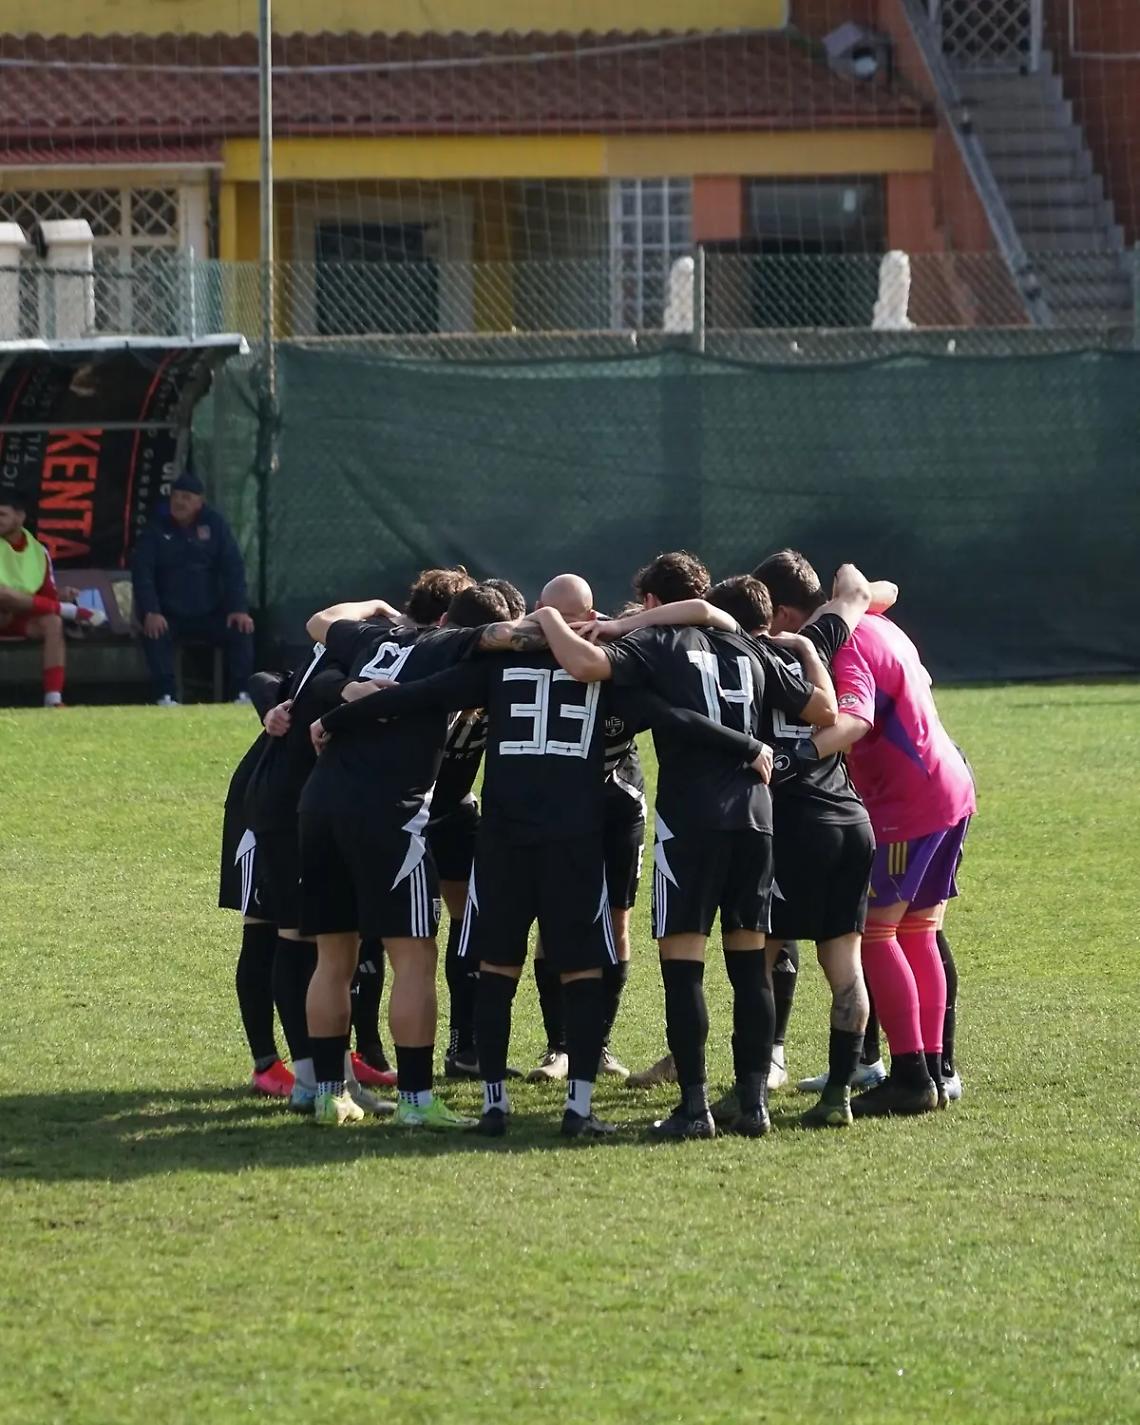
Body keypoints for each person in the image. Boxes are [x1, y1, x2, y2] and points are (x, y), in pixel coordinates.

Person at [336, 572, 775, 1141]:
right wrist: (746, 745)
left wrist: (332, 717)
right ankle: (579, 1109)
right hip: (574, 837)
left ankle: (494, 1107)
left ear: (539, 610)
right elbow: (673, 716)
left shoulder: (495, 666)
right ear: (589, 615)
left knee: (497, 968)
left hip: (502, 838)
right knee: (583, 970)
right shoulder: (604, 667)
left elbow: (421, 694)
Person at [534, 552, 837, 1140]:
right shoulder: (750, 649)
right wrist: (802, 651)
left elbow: (588, 665)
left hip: (691, 820)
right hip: (757, 816)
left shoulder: (658, 644)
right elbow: (823, 710)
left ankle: (694, 1107)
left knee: (684, 970)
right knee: (751, 966)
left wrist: (552, 620)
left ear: (650, 605)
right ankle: (753, 1105)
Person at [299, 581, 519, 1129]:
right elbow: (508, 634)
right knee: (415, 960)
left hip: (320, 806)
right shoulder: (454, 647)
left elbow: (320, 620)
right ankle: (418, 1102)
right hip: (389, 815)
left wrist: (373, 606)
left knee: (333, 958)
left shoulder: (376, 638)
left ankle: (328, 1095)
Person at [705, 567, 880, 1129]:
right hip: (851, 821)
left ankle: (749, 1088)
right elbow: (857, 585)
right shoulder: (815, 642)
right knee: (845, 966)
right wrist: (810, 634)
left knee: (756, 957)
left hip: (791, 825)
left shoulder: (725, 665)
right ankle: (837, 1097)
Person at [808, 584, 976, 1115]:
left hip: (907, 803)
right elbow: (881, 588)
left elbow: (854, 719)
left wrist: (791, 755)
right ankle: (930, 1070)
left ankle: (909, 1076)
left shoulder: (846, 644)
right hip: (947, 787)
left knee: (877, 932)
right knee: (918, 929)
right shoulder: (875, 619)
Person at [218, 668, 293, 1098]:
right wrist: (271, 712)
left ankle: (351, 1055)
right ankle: (267, 1063)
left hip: (312, 807)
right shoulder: (357, 647)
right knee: (266, 932)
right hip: (263, 808)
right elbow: (261, 678)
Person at [131, 471, 254, 706]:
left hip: (210, 613)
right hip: (169, 614)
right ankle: (165, 695)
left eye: (186, 497)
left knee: (242, 627)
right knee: (154, 631)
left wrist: (238, 608)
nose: (179, 502)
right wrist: (151, 611)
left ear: (199, 501)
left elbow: (233, 568)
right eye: (176, 496)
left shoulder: (214, 525)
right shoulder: (156, 528)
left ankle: (241, 692)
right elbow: (143, 573)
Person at [0, 489, 105, 706]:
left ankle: (53, 699)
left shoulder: (38, 551)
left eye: (2, 515)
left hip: (18, 616)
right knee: (3, 593)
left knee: (53, 621)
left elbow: (46, 597)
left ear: (20, 517)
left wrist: (60, 596)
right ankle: (71, 612)